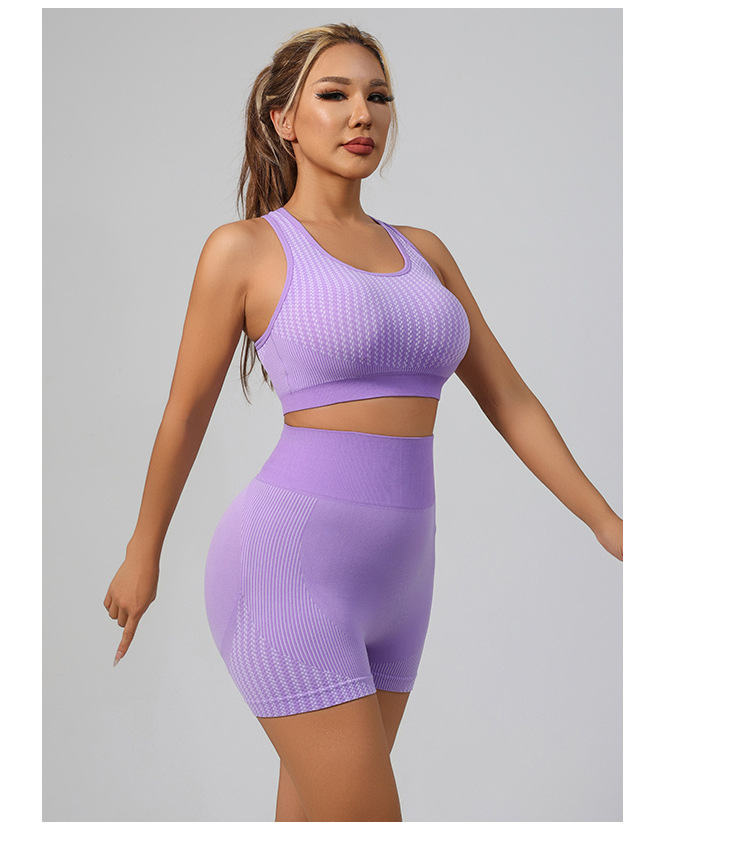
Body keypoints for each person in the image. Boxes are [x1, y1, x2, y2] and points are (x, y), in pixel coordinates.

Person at [102, 22, 623, 822]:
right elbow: (187, 410)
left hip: (403, 583)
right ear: (283, 118)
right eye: (335, 94)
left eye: (378, 96)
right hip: (288, 570)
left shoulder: (426, 254)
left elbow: (509, 399)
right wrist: (145, 549)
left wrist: (607, 522)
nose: (362, 114)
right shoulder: (244, 250)